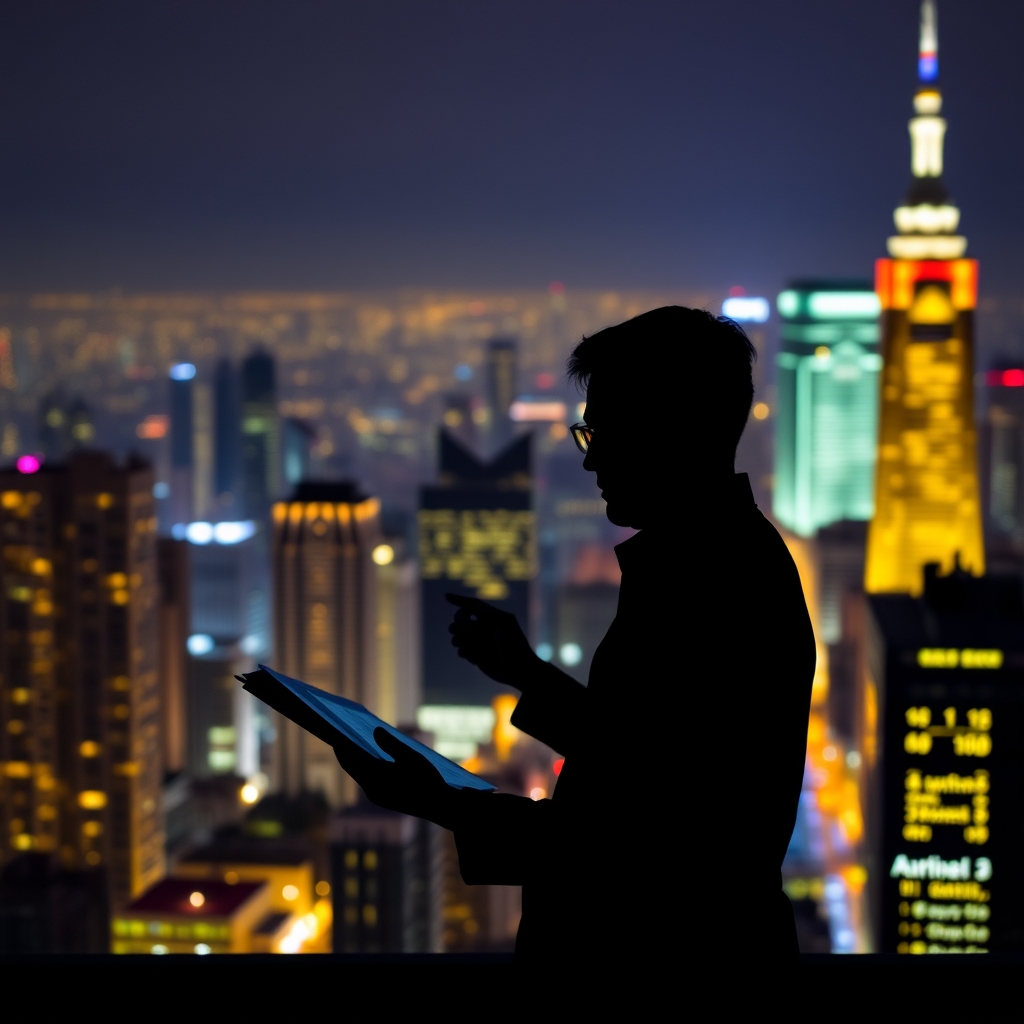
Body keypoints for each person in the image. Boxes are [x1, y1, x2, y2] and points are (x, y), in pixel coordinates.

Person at [334, 306, 815, 979]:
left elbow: (652, 847)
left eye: (605, 433)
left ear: (672, 433)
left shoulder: (713, 587)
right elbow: (646, 761)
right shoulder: (714, 563)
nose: (591, 462)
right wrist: (527, 674)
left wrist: (440, 802)